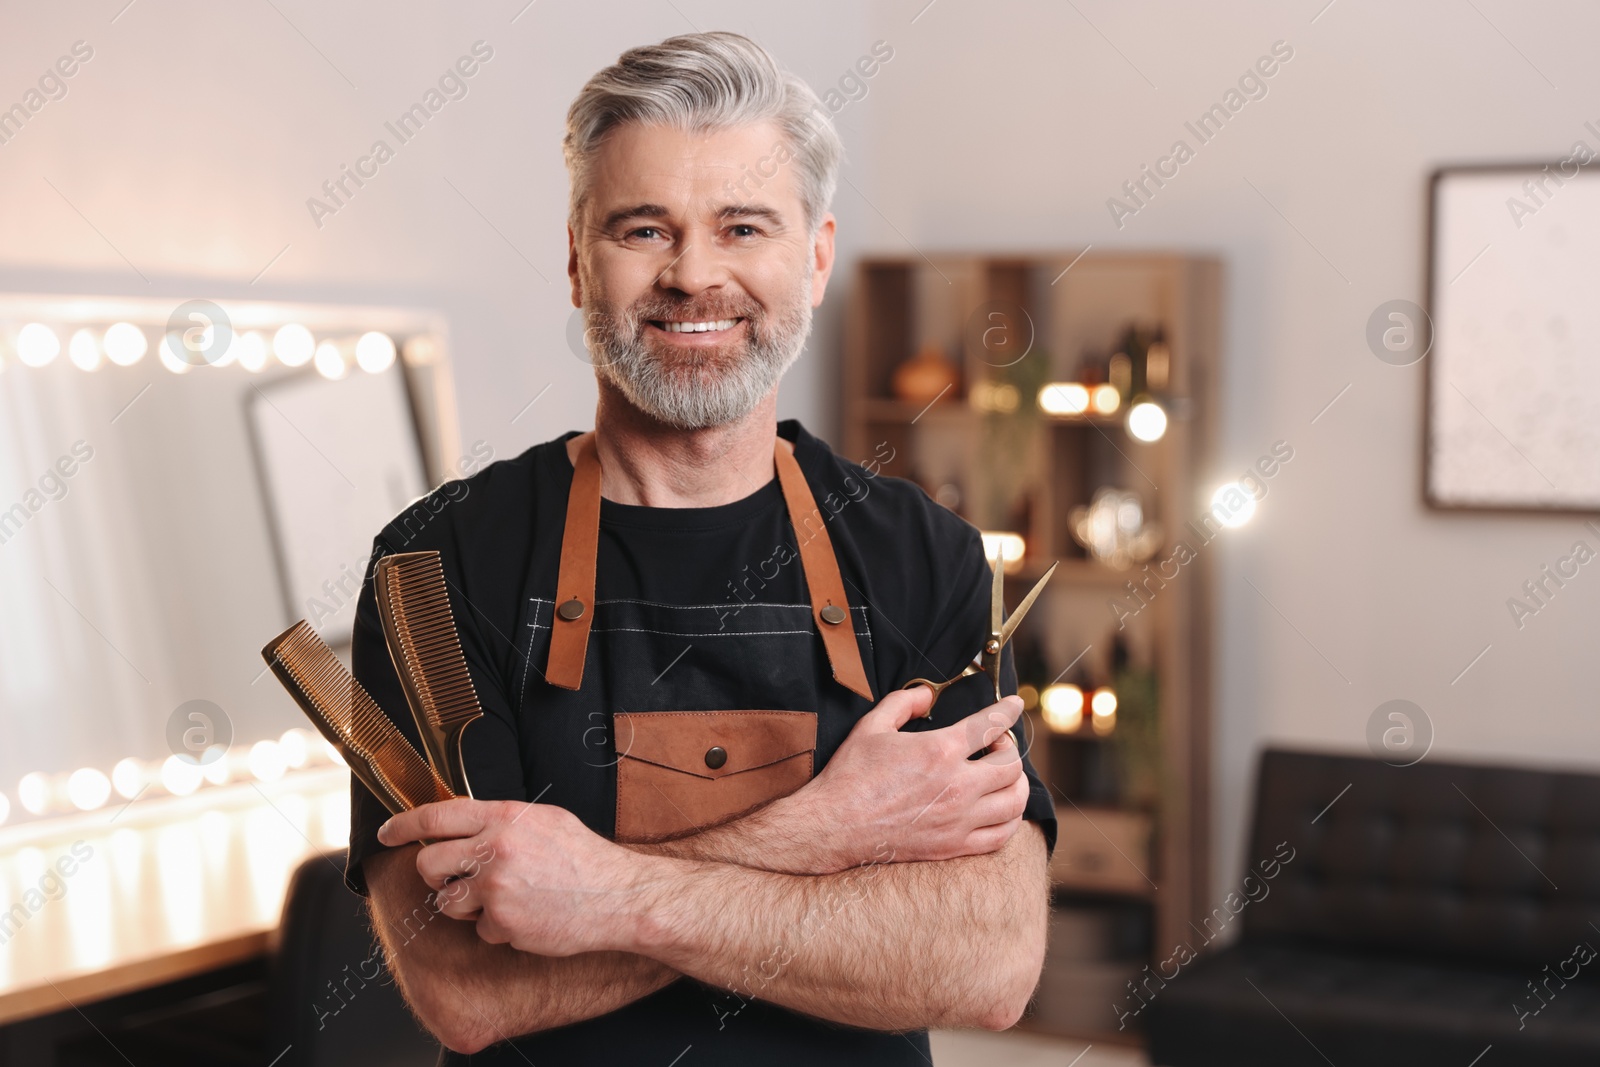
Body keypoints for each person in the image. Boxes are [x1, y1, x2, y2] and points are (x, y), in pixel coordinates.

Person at [349, 30, 1058, 1065]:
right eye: (644, 228)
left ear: (812, 258)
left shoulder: (926, 557)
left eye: (741, 227)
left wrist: (603, 892)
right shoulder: (434, 568)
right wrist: (821, 835)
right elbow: (468, 987)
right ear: (577, 260)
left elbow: (985, 962)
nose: (694, 275)